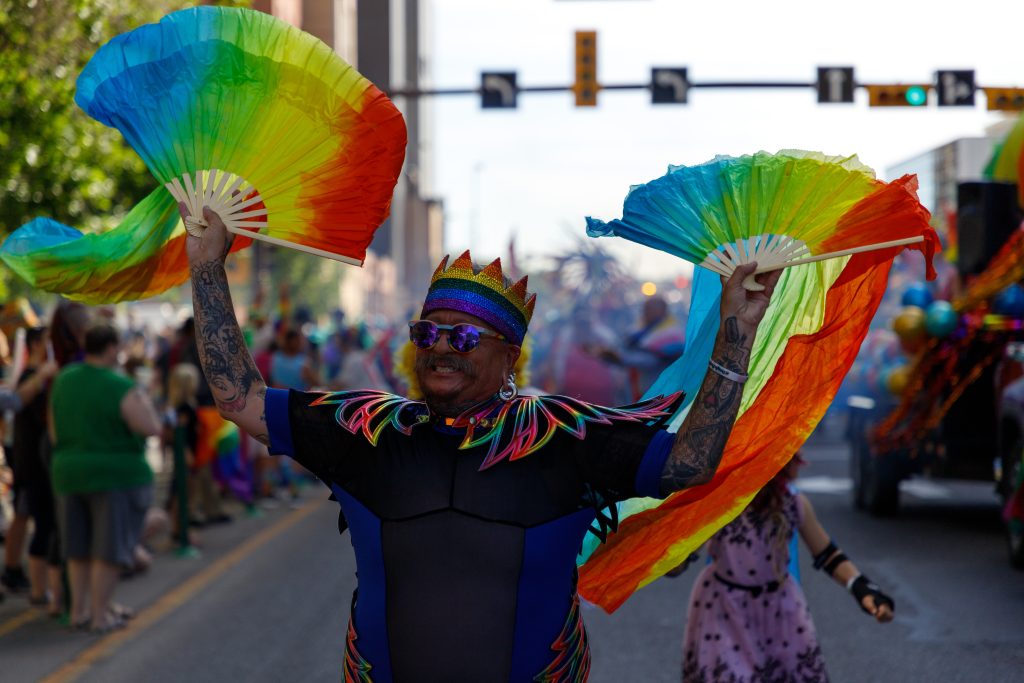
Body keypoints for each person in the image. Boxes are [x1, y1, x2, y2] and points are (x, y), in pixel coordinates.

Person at [183, 205, 781, 681]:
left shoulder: (565, 437)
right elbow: (241, 400)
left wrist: (736, 333)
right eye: (429, 333)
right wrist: (207, 267)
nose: (442, 347)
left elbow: (691, 462)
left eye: (466, 336)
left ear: (508, 355)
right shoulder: (367, 432)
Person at [679, 454, 895, 682]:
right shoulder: (721, 501)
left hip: (780, 612)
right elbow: (684, 552)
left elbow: (828, 554)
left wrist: (863, 589)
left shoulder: (792, 502)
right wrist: (668, 560)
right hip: (724, 609)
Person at [49, 323, 163, 633]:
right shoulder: (119, 385)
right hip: (114, 474)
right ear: (112, 347)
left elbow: (53, 429)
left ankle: (78, 611)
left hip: (68, 471)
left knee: (78, 546)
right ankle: (100, 616)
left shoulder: (64, 379)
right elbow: (150, 426)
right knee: (108, 549)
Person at [0, 328, 58, 603]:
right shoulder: (33, 376)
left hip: (26, 461)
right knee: (37, 522)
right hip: (29, 462)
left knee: (24, 517)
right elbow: (14, 401)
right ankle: (24, 580)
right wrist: (44, 375)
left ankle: (14, 572)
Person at [594, 294, 687, 401]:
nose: (646, 313)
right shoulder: (640, 331)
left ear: (663, 310)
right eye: (645, 309)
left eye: (650, 309)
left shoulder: (672, 333)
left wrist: (620, 358)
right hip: (637, 389)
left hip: (660, 392)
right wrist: (609, 355)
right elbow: (624, 347)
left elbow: (652, 361)